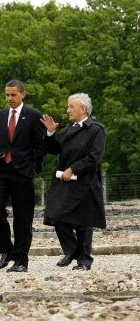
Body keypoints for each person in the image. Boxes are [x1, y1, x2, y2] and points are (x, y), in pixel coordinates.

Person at [40, 93, 106, 271]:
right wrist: (51, 132)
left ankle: (84, 261)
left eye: (71, 106)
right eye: (68, 106)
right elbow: (53, 149)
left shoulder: (96, 130)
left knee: (84, 222)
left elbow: (94, 157)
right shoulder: (67, 130)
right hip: (64, 182)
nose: (68, 110)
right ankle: (72, 250)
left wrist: (73, 169)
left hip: (85, 182)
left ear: (83, 109)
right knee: (55, 215)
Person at [0, 80, 45, 273]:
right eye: (7, 95)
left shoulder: (33, 116)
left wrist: (34, 167)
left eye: (13, 95)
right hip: (1, 171)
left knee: (22, 218)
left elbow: (40, 145)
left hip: (23, 172)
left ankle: (21, 260)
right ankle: (6, 250)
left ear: (23, 95)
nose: (9, 98)